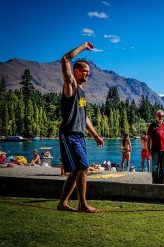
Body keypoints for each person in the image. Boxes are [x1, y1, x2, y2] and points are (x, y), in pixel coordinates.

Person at [57, 42, 104, 213]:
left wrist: (96, 135)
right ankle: (83, 204)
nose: (87, 74)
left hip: (80, 136)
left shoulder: (82, 93)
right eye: (85, 70)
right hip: (69, 134)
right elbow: (65, 59)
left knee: (76, 171)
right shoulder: (71, 86)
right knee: (83, 168)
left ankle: (62, 203)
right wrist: (84, 46)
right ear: (75, 71)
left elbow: (84, 117)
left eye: (88, 72)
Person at [147, 110, 164, 184]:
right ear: (156, 116)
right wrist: (148, 149)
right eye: (159, 116)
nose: (160, 117)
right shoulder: (152, 126)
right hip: (155, 151)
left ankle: (161, 184)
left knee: (163, 169)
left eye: (162, 116)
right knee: (154, 169)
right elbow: (148, 139)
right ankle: (155, 184)